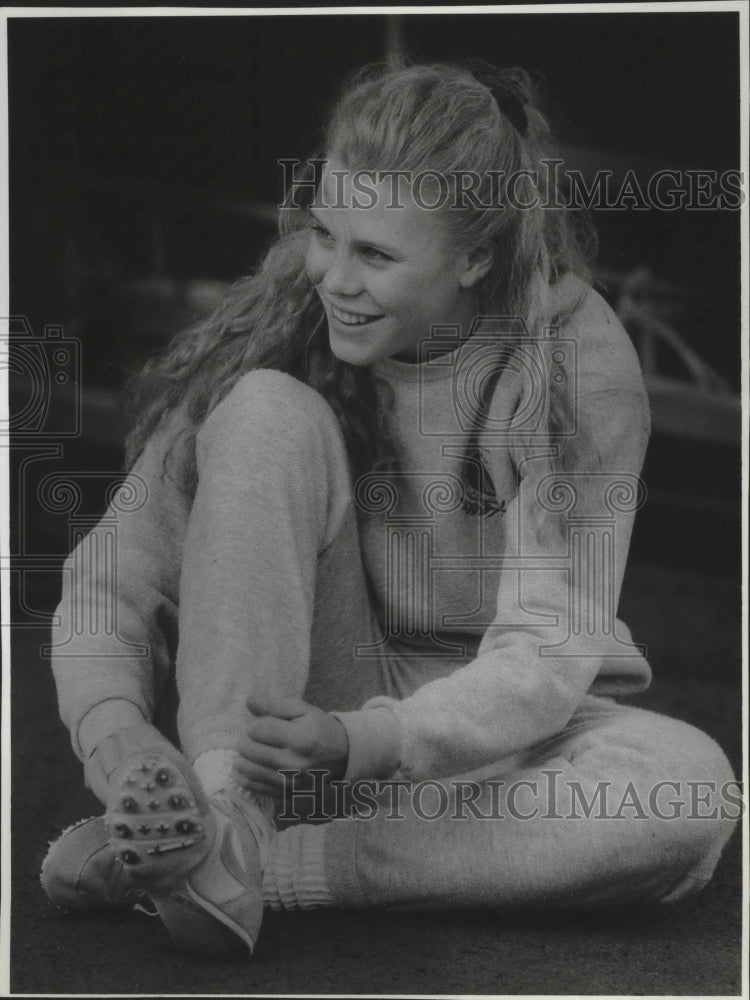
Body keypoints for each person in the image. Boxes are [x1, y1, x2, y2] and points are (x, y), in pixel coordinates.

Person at [40, 61, 737, 960]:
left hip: (487, 729)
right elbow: (112, 574)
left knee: (689, 792)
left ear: (476, 257)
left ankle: (248, 866)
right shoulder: (289, 315)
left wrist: (373, 740)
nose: (334, 275)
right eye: (326, 232)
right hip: (293, 729)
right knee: (260, 407)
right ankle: (226, 814)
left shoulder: (576, 361)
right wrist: (120, 741)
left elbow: (549, 648)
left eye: (376, 254)